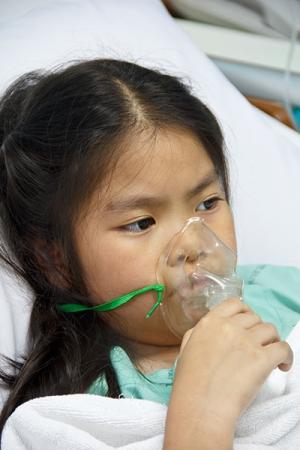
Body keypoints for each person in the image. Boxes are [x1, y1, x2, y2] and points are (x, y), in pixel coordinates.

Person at [0, 58, 296, 449]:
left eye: (208, 203)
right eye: (141, 223)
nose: (194, 245)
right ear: (57, 262)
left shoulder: (284, 290)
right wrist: (203, 410)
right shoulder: (91, 411)